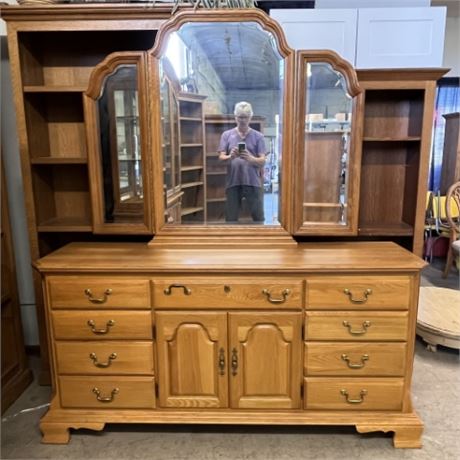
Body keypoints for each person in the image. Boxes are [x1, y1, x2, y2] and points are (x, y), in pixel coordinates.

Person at [218, 101, 266, 223]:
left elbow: (263, 161)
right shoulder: (226, 135)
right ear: (235, 117)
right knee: (231, 218)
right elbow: (221, 158)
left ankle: (260, 240)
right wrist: (230, 157)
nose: (243, 120)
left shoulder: (258, 136)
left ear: (250, 117)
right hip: (233, 182)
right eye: (240, 117)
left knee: (258, 217)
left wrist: (251, 158)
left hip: (253, 182)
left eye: (245, 117)